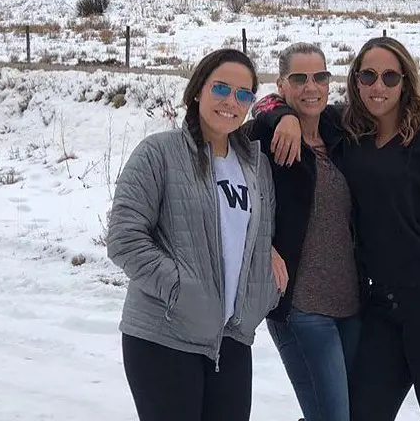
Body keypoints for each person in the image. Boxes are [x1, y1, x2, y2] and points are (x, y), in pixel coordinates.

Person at [255, 36, 420, 421]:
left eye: (390, 77)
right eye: (369, 76)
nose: (379, 86)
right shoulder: (347, 129)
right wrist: (285, 117)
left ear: (405, 81)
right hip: (383, 310)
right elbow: (268, 103)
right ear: (356, 81)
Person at [106, 48, 287, 421]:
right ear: (198, 91)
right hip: (164, 335)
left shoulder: (256, 167)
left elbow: (257, 236)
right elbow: (125, 238)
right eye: (221, 88)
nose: (230, 101)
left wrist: (264, 280)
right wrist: (181, 291)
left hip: (231, 341)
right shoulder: (159, 153)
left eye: (243, 94)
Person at [249, 42, 364, 421]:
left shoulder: (340, 131)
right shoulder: (262, 139)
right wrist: (261, 245)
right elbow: (230, 200)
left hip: (350, 303)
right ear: (281, 85)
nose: (310, 87)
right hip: (299, 306)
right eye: (298, 78)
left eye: (319, 77)